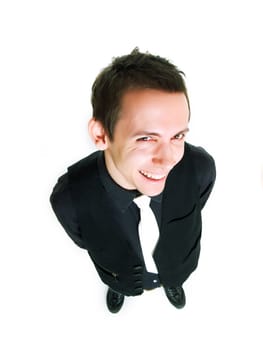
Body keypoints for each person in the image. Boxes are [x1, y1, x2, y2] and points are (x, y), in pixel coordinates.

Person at [50, 48, 216, 313]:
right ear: (101, 134)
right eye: (146, 138)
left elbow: (196, 205)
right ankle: (120, 286)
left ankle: (170, 280)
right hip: (117, 272)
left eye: (177, 136)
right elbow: (85, 240)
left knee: (172, 272)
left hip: (177, 265)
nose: (168, 159)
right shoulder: (69, 197)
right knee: (120, 277)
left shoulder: (200, 168)